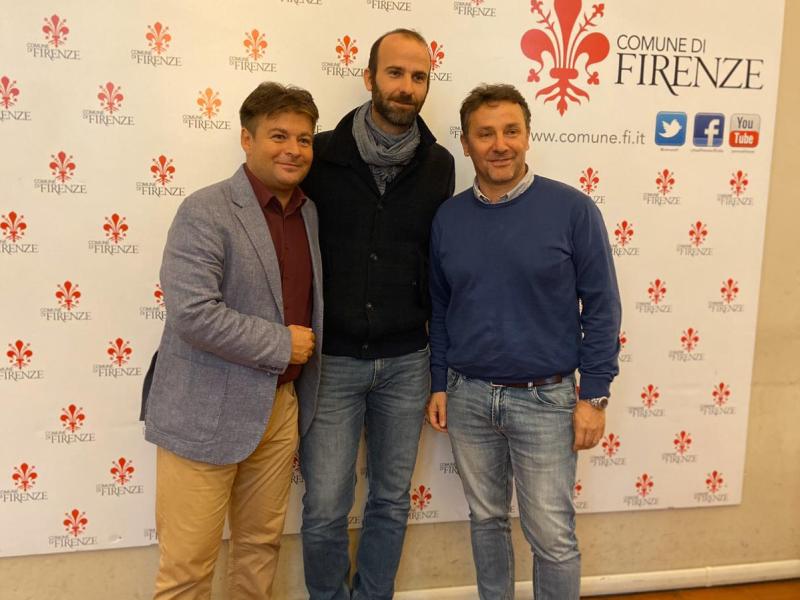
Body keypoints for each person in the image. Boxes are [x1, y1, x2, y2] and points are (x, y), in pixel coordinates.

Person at [426, 84, 621, 600]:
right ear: (465, 143)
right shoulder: (448, 218)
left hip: (547, 401)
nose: (500, 145)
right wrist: (439, 382)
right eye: (485, 134)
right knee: (486, 520)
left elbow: (602, 307)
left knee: (552, 538)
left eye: (511, 131)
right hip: (468, 397)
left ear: (528, 135)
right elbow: (441, 310)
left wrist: (594, 395)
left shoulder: (573, 209)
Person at [140, 81, 323, 600]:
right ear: (247, 139)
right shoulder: (205, 209)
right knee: (187, 568)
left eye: (304, 139)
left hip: (279, 410)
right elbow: (193, 313)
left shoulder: (309, 213)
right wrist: (281, 345)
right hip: (202, 409)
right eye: (278, 136)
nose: (293, 149)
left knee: (260, 550)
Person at [298, 28, 455, 600]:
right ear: (368, 78)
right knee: (325, 506)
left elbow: (436, 265)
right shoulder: (320, 155)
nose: (406, 87)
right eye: (395, 73)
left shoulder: (439, 164)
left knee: (390, 501)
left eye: (418, 76)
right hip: (332, 361)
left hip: (407, 361)